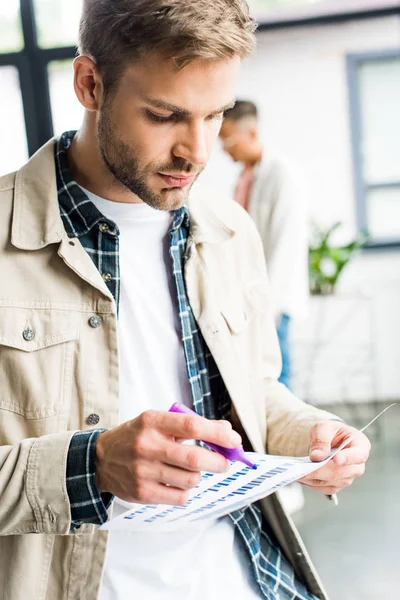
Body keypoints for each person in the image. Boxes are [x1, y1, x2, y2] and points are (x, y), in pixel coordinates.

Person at [0, 2, 370, 600]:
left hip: (252, 578)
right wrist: (90, 467)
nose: (197, 151)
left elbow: (254, 392)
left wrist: (310, 434)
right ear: (89, 84)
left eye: (215, 115)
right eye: (166, 116)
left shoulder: (229, 229)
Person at [219, 101, 310, 390]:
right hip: (250, 297)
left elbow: (285, 245)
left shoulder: (282, 174)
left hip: (273, 300)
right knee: (258, 379)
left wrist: (267, 309)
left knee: (278, 381)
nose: (224, 149)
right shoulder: (246, 177)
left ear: (252, 133)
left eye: (228, 139)